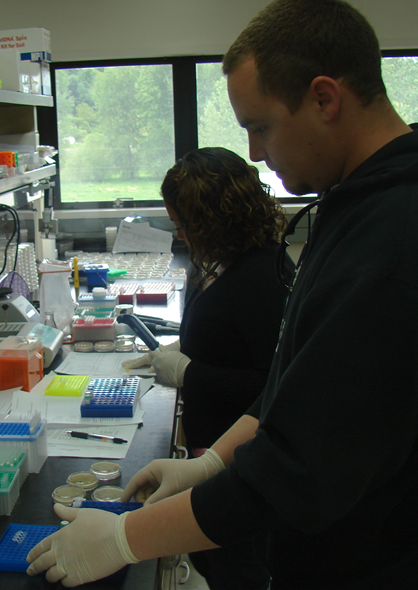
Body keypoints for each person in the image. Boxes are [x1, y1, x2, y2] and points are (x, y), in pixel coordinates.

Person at [26, 0, 418, 588]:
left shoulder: (398, 244)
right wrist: (212, 461)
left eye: (259, 126)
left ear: (325, 98)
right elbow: (297, 380)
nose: (255, 154)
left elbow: (300, 473)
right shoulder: (360, 197)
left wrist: (127, 538)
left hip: (382, 562)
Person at [123, 147, 293, 589]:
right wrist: (188, 345)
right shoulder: (230, 260)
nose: (179, 237)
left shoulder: (262, 276)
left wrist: (186, 372)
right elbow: (230, 335)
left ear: (213, 220)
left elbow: (272, 387)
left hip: (234, 465)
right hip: (211, 453)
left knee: (237, 572)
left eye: (183, 225)